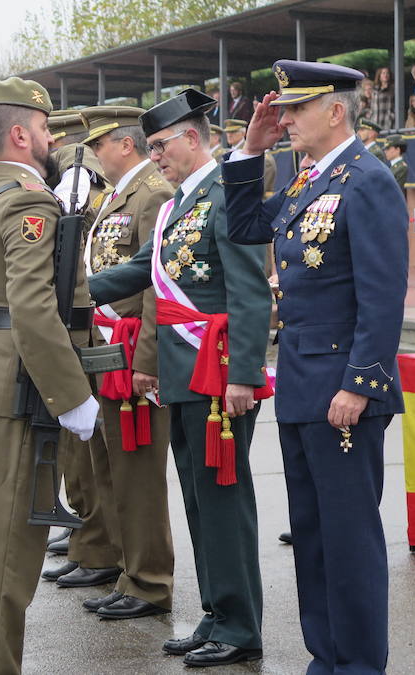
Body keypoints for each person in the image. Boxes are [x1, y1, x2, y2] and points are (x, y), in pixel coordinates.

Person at [223, 59, 408, 675]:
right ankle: (325, 658)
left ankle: (358, 665)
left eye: (297, 109)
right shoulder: (310, 180)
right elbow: (247, 223)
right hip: (304, 384)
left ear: (335, 110)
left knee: (350, 539)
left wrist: (360, 384)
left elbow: (382, 298)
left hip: (344, 390)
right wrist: (252, 150)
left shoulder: (368, 179)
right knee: (313, 535)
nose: (286, 118)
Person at [89, 89, 272, 668]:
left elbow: (249, 291)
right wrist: (63, 294)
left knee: (224, 500)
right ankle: (216, 613)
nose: (155, 155)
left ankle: (241, 625)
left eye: (161, 145)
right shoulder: (177, 206)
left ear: (193, 138)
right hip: (183, 373)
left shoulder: (226, 196)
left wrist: (244, 374)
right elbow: (138, 269)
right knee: (197, 499)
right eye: (150, 147)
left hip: (217, 374)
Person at [0, 77, 99, 674]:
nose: (49, 139)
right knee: (8, 564)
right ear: (19, 133)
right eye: (42, 129)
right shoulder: (27, 202)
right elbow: (34, 308)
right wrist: (73, 395)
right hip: (18, 391)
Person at [61, 105, 175, 619]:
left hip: (132, 349)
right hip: (106, 345)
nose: (93, 154)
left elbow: (156, 282)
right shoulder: (116, 197)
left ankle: (149, 579)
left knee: (137, 472)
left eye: (99, 144)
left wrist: (147, 358)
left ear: (124, 144)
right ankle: (126, 569)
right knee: (109, 466)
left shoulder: (151, 193)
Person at [43, 110, 115, 565]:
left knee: (88, 448)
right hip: (73, 319)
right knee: (75, 449)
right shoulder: (68, 179)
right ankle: (83, 529)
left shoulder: (78, 178)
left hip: (90, 325)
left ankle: (94, 538)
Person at [224, 118, 277, 195]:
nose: (229, 135)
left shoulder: (257, 154)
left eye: (233, 132)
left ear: (243, 133)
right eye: (227, 132)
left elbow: (261, 188)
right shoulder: (228, 153)